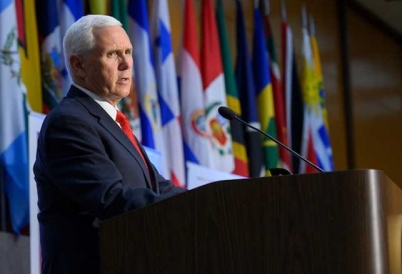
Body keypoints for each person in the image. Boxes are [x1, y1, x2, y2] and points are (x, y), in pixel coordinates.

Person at [33, 14, 186, 274]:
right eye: (113, 54)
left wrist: (221, 202)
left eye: (128, 51)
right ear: (78, 65)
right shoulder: (69, 122)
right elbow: (111, 199)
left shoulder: (110, 121)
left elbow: (159, 189)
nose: (127, 63)